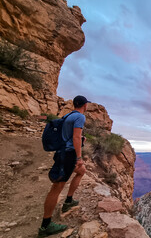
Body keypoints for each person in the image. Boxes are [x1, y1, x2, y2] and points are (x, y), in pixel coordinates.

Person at [38, 95, 90, 237]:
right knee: (57, 187)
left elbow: (70, 135)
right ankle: (45, 226)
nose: (87, 107)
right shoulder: (80, 117)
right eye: (87, 105)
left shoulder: (68, 115)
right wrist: (79, 157)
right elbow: (76, 137)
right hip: (68, 155)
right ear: (84, 105)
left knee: (81, 171)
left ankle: (68, 200)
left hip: (64, 152)